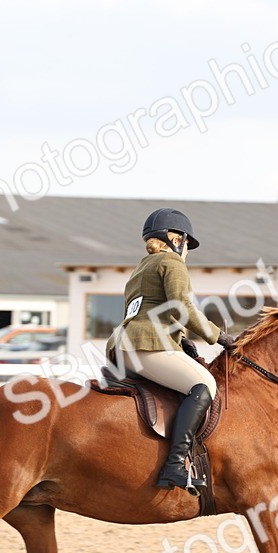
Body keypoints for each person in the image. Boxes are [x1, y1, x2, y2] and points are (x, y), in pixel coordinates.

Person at [106, 208, 234, 491]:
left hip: (124, 346)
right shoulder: (172, 262)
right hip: (146, 346)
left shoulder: (142, 267)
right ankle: (174, 465)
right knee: (204, 384)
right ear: (177, 239)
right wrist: (218, 336)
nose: (187, 252)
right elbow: (182, 307)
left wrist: (181, 340)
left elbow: (151, 311)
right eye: (187, 245)